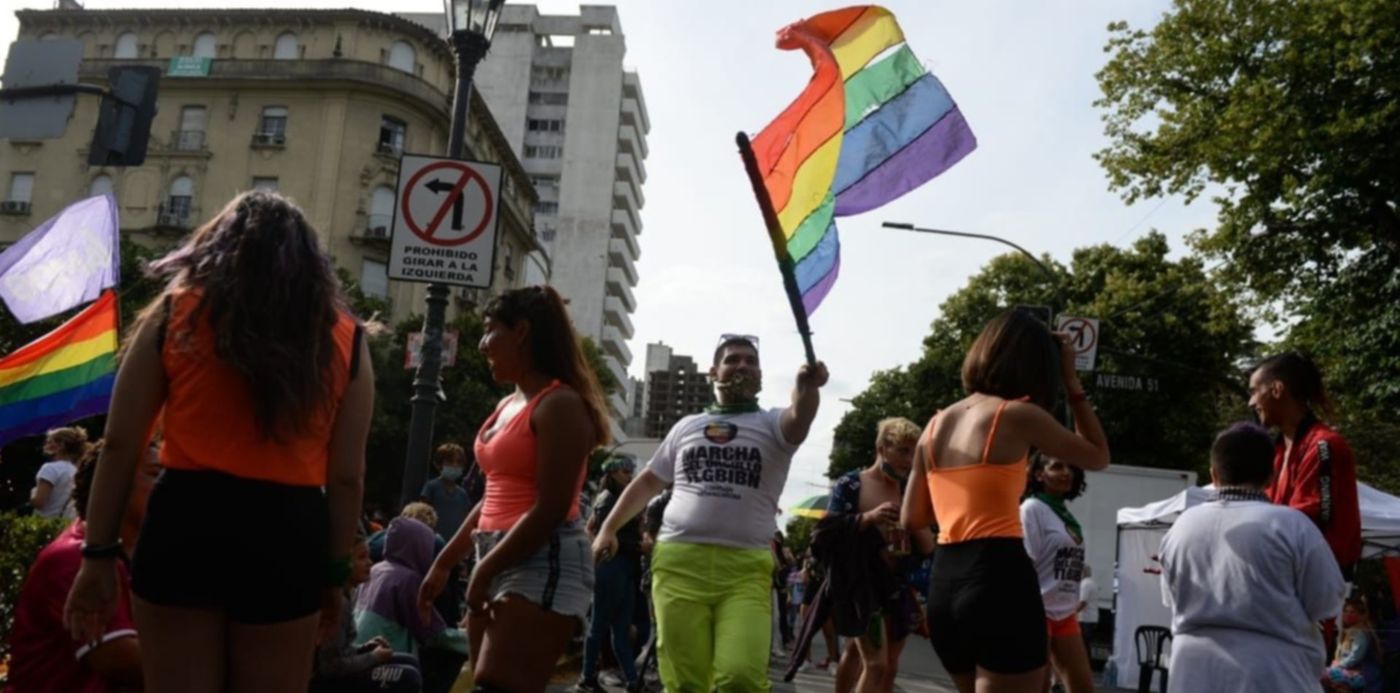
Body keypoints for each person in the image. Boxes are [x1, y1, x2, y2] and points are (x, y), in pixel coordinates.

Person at [62, 191, 375, 693]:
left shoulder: (176, 313)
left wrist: (97, 556)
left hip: (186, 519)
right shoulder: (345, 338)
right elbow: (346, 477)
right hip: (287, 532)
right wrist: (334, 573)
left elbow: (120, 444)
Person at [592, 333, 829, 691]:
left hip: (745, 572)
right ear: (713, 372)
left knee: (740, 677)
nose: (742, 365)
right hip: (678, 565)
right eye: (732, 359)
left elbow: (802, 415)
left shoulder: (773, 424)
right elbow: (647, 483)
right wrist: (608, 528)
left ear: (760, 374)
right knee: (685, 682)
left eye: (751, 361)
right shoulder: (686, 426)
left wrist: (806, 387)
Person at [901, 309, 1110, 693]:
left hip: (945, 582)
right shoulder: (1016, 415)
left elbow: (912, 517)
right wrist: (1072, 382)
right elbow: (1097, 456)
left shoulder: (933, 426)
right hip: (998, 576)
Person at [418, 285, 610, 692]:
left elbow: (552, 507)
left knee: (497, 684)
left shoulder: (560, 404)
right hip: (495, 553)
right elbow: (492, 496)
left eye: (490, 330)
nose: (482, 344)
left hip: (542, 557)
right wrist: (446, 562)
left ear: (521, 332)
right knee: (485, 682)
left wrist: (485, 570)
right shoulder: (508, 404)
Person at [1159, 422, 1347, 692]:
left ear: (1214, 474)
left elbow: (1171, 599)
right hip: (1273, 673)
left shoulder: (1180, 527)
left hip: (1192, 673)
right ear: (1271, 477)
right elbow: (1327, 601)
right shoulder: (1292, 525)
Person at [5, 441, 156, 693]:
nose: (167, 485)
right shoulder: (73, 559)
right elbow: (119, 660)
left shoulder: (139, 550)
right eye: (155, 473)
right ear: (113, 483)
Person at [825, 416, 927, 693]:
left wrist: (914, 522)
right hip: (861, 587)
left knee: (887, 665)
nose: (909, 460)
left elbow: (929, 546)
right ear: (882, 448)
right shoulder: (852, 483)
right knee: (876, 664)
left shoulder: (908, 489)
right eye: (903, 451)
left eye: (913, 453)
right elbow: (827, 532)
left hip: (897, 588)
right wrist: (869, 517)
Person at [1250, 352, 1361, 577]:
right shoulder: (1277, 450)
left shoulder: (1323, 446)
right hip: (1287, 574)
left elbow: (1304, 521)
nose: (1251, 402)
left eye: (1254, 391)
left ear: (1277, 389)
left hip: (1314, 579)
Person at [311, 533, 422, 693]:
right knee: (409, 677)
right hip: (326, 682)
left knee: (410, 661)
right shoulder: (339, 604)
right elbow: (330, 667)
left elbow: (341, 650)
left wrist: (364, 648)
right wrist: (373, 657)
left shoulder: (349, 594)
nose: (370, 562)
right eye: (362, 557)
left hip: (340, 672)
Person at [1021, 453, 1093, 693]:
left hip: (1065, 612)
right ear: (1039, 475)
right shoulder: (1032, 509)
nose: (1066, 473)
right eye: (1057, 467)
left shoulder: (1065, 514)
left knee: (1083, 688)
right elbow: (1025, 564)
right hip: (1036, 611)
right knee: (1038, 688)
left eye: (1070, 467)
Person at [577, 456, 644, 692]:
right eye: (625, 471)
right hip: (612, 567)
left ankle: (632, 680)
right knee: (599, 625)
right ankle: (587, 676)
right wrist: (638, 546)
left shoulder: (619, 498)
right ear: (613, 473)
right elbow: (610, 537)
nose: (630, 474)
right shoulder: (608, 500)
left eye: (631, 470)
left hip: (625, 568)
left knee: (621, 628)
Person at [1325, 596, 1384, 693]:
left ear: (1361, 615)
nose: (1347, 614)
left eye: (1352, 612)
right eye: (1346, 611)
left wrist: (1339, 664)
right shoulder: (1349, 631)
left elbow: (1356, 656)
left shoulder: (1359, 632)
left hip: (1365, 675)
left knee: (1325, 675)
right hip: (1357, 673)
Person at [30, 426, 89, 519]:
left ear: (61, 445)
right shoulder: (76, 471)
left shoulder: (49, 469)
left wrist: (33, 493)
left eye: (50, 441)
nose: (46, 444)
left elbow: (39, 502)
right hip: (65, 523)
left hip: (44, 523)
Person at [421, 443, 474, 541]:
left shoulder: (463, 494)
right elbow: (422, 514)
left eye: (459, 462)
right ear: (439, 464)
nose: (455, 465)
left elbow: (467, 520)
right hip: (433, 541)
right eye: (450, 461)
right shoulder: (431, 487)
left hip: (455, 543)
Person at [1076, 566, 1099, 670]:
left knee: (1083, 644)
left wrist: (1072, 613)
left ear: (1083, 573)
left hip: (1086, 619)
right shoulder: (1092, 583)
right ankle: (1086, 666)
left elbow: (1082, 602)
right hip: (1091, 618)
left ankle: (1085, 666)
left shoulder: (1085, 584)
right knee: (1086, 644)